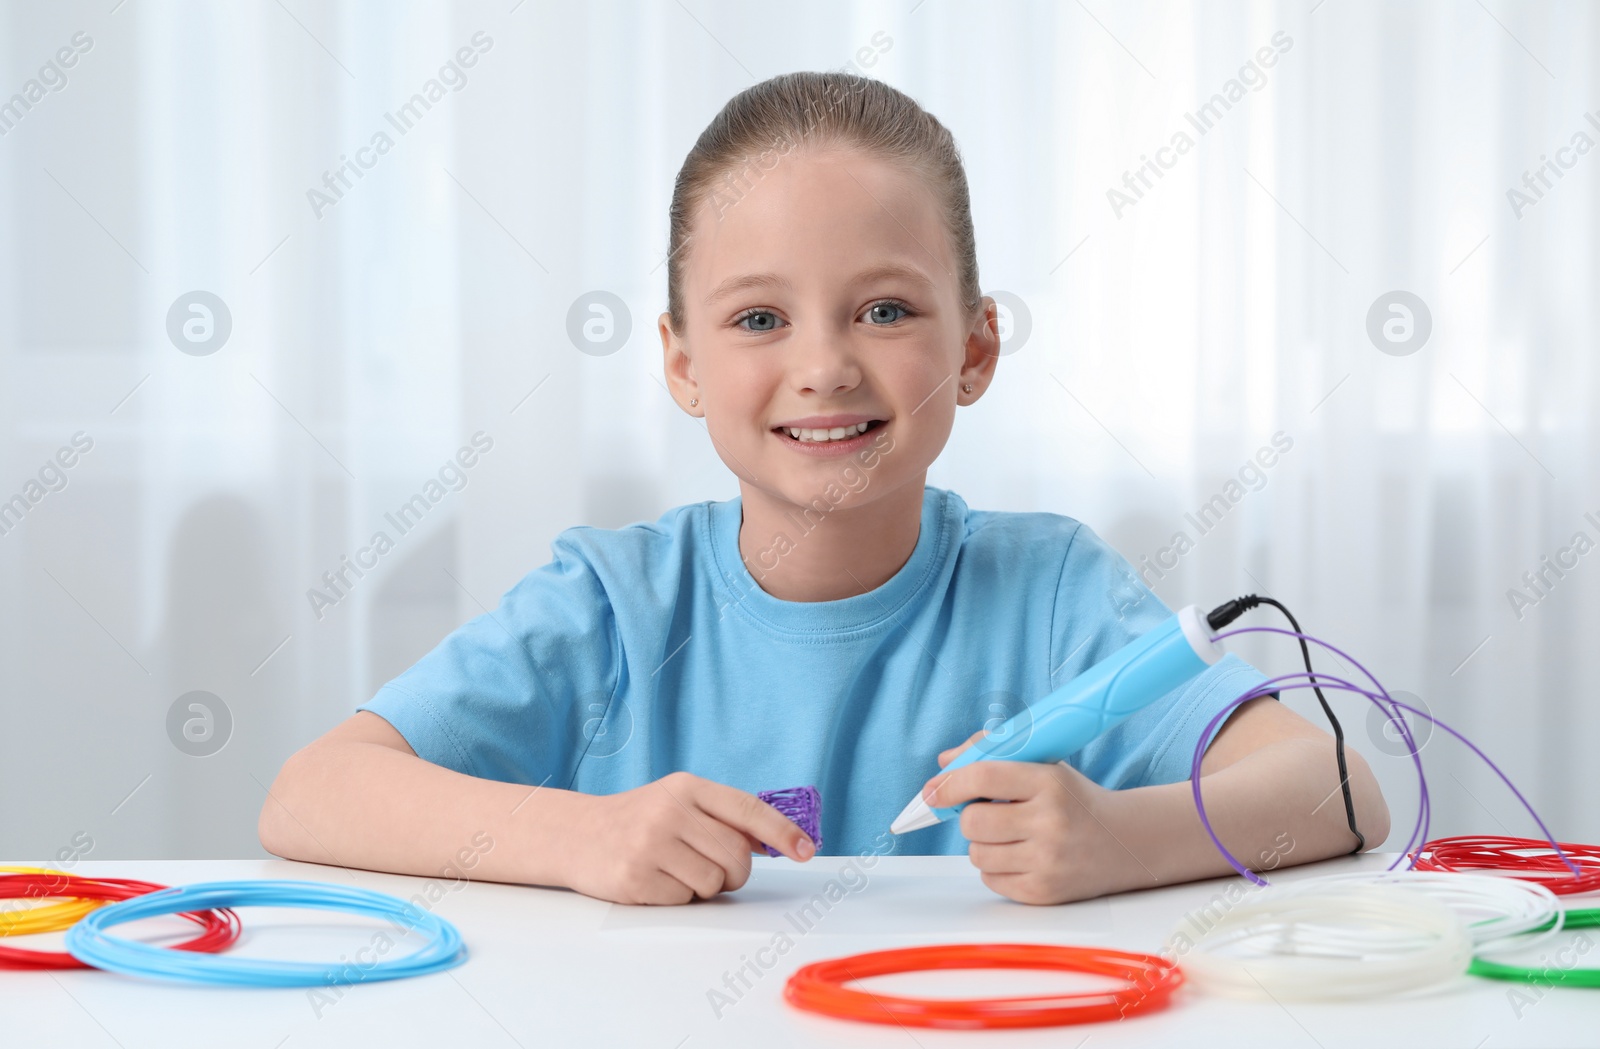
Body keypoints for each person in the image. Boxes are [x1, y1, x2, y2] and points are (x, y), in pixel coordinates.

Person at [260, 71, 1389, 907]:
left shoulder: (1049, 593)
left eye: (885, 310)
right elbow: (312, 793)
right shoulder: (612, 602)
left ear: (977, 348)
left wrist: (1116, 839)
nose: (825, 365)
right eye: (760, 318)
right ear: (684, 364)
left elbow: (1341, 788)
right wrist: (581, 837)